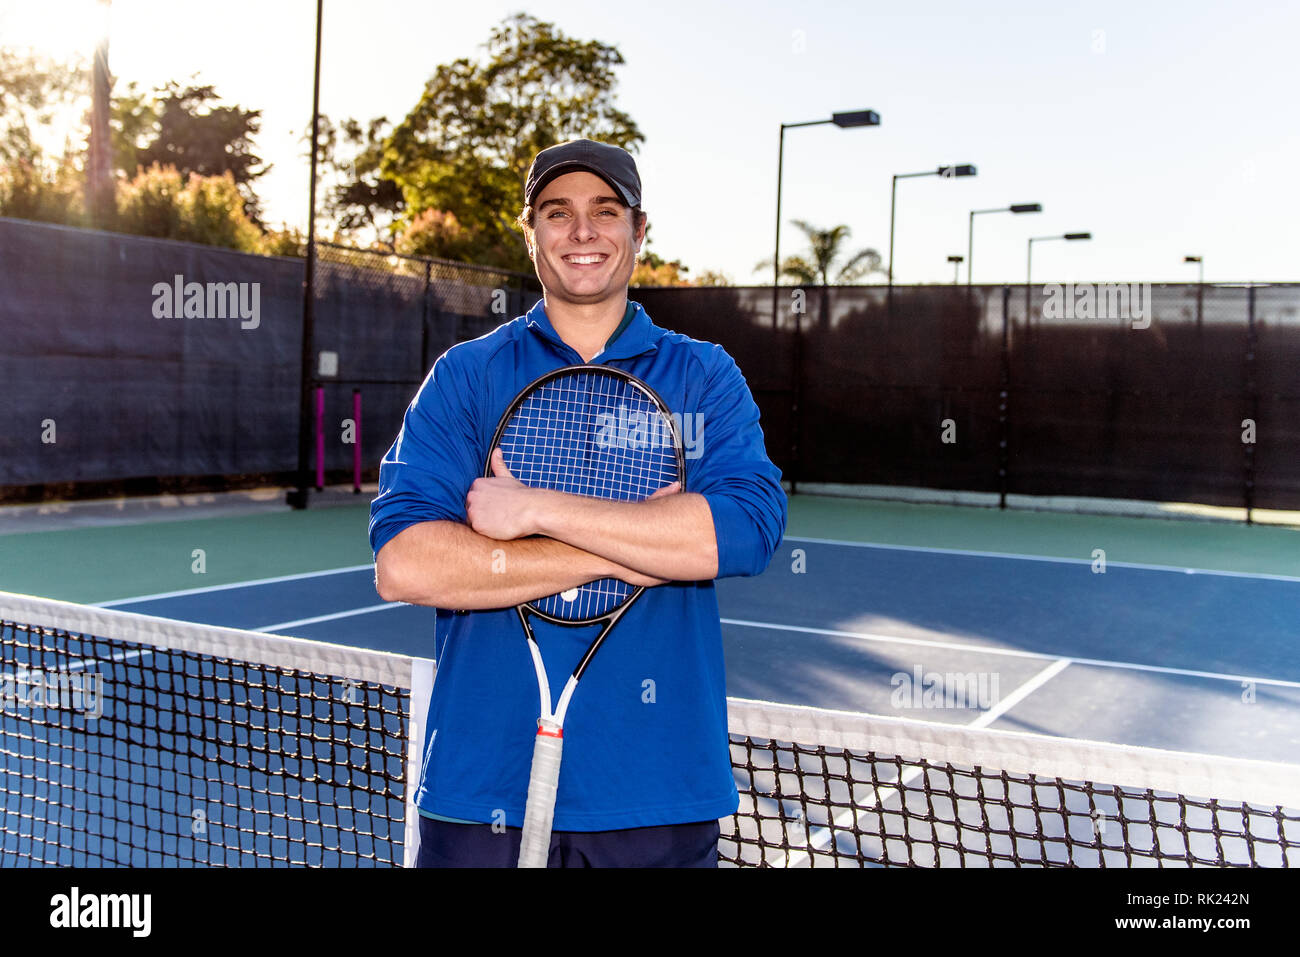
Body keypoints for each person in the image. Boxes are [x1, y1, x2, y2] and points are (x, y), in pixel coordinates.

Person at [369, 138, 786, 867]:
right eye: (557, 213)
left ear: (639, 230)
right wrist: (642, 545)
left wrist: (532, 510)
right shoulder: (466, 376)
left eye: (605, 211)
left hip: (657, 793)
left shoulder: (704, 374)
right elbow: (406, 565)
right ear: (529, 233)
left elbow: (743, 532)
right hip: (479, 791)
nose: (583, 232)